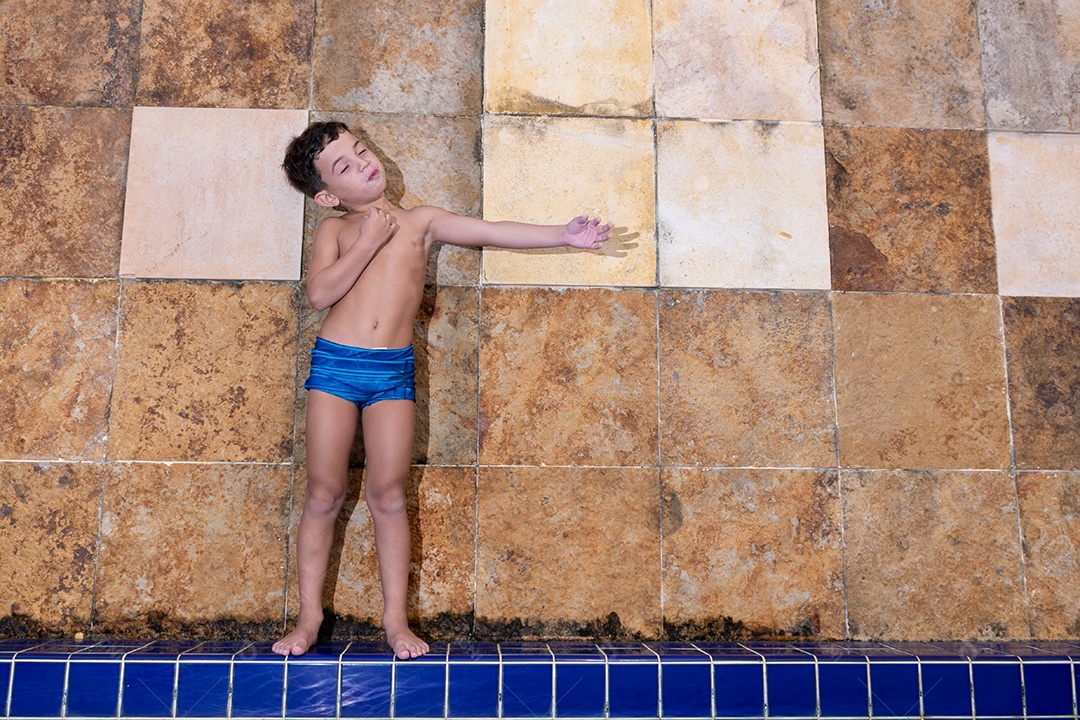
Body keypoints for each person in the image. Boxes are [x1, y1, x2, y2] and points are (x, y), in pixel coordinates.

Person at [273, 121, 613, 658]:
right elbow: (319, 294)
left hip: (392, 372)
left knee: (388, 495)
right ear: (328, 195)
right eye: (344, 166)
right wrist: (368, 242)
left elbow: (490, 231)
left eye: (361, 150)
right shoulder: (335, 231)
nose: (363, 162)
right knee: (323, 493)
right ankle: (310, 616)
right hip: (337, 366)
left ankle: (395, 620)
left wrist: (561, 234)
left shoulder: (422, 221)